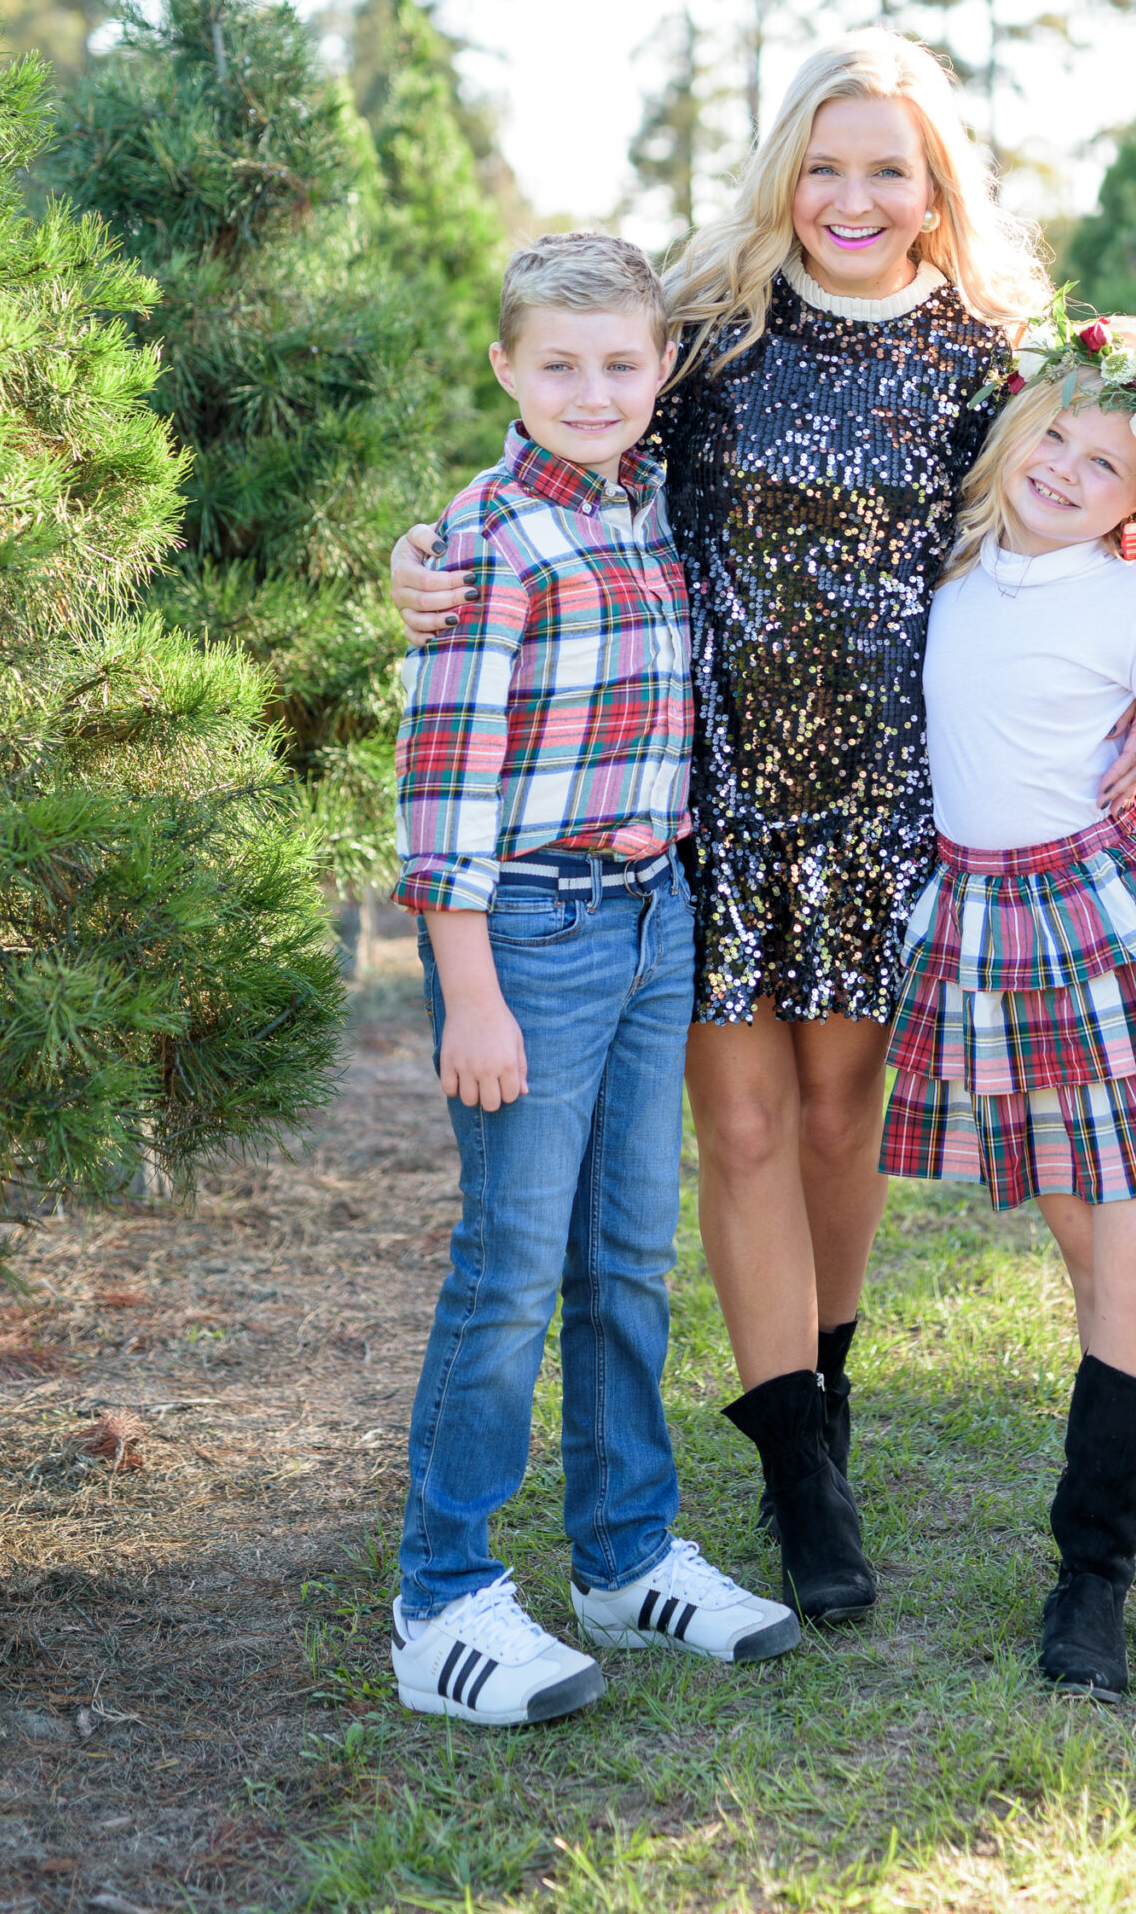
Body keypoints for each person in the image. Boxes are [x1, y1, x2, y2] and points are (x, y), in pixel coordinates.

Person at [394, 34, 1136, 1624]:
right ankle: (797, 1479)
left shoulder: (985, 356)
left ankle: (834, 1403)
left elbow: (1088, 521)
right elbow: (567, 449)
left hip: (891, 801)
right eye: (824, 165)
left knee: (832, 1125)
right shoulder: (711, 336)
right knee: (734, 1133)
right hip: (719, 797)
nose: (852, 198)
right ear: (781, 174)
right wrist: (426, 556)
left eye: (889, 168)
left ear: (935, 186)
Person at [389, 233, 798, 1731]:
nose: (589, 388)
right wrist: (472, 990)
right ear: (503, 366)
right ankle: (441, 1599)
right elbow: (441, 788)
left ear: (660, 371)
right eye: (555, 363)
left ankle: (625, 1556)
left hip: (652, 917)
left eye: (619, 362)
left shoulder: (652, 508)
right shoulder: (485, 543)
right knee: (506, 1268)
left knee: (626, 1255)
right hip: (531, 932)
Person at [879, 305, 1136, 1700]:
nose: (1063, 468)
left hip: (1125, 944)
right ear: (1012, 432)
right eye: (1051, 435)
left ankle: (1087, 1586)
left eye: (1103, 463)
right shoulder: (941, 583)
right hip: (997, 939)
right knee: (1108, 1282)